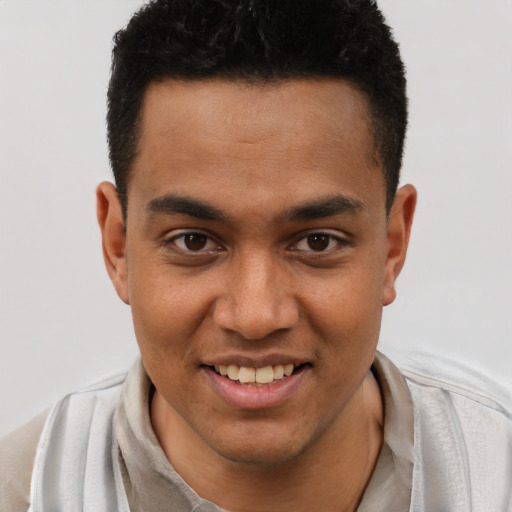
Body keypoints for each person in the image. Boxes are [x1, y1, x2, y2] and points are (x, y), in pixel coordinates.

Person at [1, 1, 511, 511]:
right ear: (118, 246)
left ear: (392, 245)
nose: (256, 316)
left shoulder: (495, 477)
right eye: (194, 241)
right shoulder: (23, 490)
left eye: (317, 242)